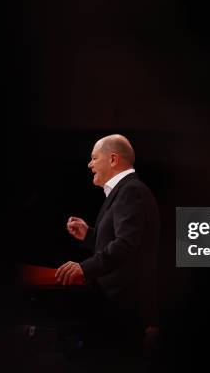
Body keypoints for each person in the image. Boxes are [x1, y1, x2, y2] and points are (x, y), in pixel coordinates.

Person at [55, 134, 160, 355]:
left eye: (94, 158)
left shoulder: (131, 191)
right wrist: (89, 235)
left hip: (124, 311)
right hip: (117, 309)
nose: (89, 164)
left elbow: (126, 245)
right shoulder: (126, 191)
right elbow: (122, 242)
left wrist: (84, 268)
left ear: (113, 159)